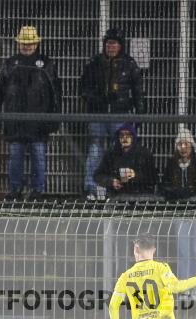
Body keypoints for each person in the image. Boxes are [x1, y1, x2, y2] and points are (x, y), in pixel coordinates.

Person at [0, 25, 62, 202]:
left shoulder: (47, 64)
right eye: (24, 43)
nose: (27, 46)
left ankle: (37, 190)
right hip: (15, 121)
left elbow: (56, 93)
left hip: (38, 121)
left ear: (36, 44)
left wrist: (55, 118)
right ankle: (15, 190)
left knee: (38, 157)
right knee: (15, 157)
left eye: (30, 43)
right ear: (18, 43)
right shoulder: (10, 63)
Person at [80, 27, 145, 200]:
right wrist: (98, 99)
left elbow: (138, 91)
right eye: (108, 43)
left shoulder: (129, 64)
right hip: (98, 115)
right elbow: (83, 89)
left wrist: (140, 113)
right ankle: (91, 188)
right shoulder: (94, 63)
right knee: (95, 149)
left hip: (120, 115)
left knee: (120, 151)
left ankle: (116, 188)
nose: (111, 47)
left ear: (121, 45)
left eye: (114, 43)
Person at [92, 123, 158, 197]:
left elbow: (153, 178)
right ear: (118, 138)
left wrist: (135, 175)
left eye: (128, 135)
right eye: (121, 135)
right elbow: (97, 175)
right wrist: (112, 181)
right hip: (117, 195)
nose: (125, 138)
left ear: (133, 137)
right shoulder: (111, 154)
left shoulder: (144, 154)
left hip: (140, 195)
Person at [158, 128, 196, 201]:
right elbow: (164, 184)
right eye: (180, 144)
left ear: (192, 146)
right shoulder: (171, 163)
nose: (183, 147)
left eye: (186, 144)